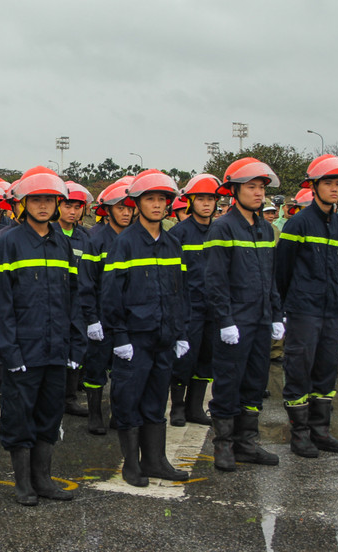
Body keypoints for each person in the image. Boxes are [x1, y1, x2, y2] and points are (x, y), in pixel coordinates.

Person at [0, 167, 75, 504]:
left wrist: (73, 344)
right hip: (22, 350)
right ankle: (23, 484)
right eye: (35, 199)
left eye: (49, 200)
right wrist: (9, 351)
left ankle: (43, 480)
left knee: (49, 415)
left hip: (55, 349)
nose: (42, 205)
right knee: (19, 417)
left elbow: (74, 297)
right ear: (23, 203)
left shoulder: (62, 244)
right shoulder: (7, 242)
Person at [101, 170, 190, 487]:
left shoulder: (172, 243)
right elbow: (111, 295)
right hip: (134, 340)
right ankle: (132, 464)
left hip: (163, 338)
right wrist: (120, 336)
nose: (157, 205)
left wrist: (180, 333)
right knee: (128, 400)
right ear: (136, 204)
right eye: (150, 199)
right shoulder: (124, 244)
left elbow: (181, 292)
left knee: (156, 401)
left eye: (162, 199)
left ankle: (155, 461)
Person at [204, 157, 283, 472]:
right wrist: (224, 320)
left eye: (261, 187)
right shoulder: (222, 227)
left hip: (261, 319)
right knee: (228, 382)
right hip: (235, 322)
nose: (259, 193)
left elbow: (271, 276)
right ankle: (223, 445)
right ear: (234, 190)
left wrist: (276, 314)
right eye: (251, 187)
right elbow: (215, 280)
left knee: (254, 382)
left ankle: (247, 443)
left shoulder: (265, 229)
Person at [276, 155, 338, 458]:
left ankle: (320, 431)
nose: (335, 189)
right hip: (303, 309)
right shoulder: (298, 223)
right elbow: (283, 269)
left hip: (330, 309)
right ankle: (299, 435)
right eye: (329, 183)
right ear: (314, 186)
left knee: (326, 370)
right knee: (299, 369)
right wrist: (285, 307)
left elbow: (337, 266)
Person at [79, 178, 134, 435]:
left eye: (129, 207)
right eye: (120, 207)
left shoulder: (138, 238)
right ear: (108, 210)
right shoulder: (95, 240)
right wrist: (91, 318)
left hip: (129, 316)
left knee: (124, 369)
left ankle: (118, 414)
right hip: (101, 315)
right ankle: (94, 415)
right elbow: (87, 283)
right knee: (96, 367)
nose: (126, 212)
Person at [167, 174, 220, 426]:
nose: (206, 204)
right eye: (201, 199)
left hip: (213, 307)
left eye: (211, 199)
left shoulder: (221, 230)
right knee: (184, 359)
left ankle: (195, 408)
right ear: (190, 202)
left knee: (206, 358)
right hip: (189, 308)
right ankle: (177, 407)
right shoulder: (179, 233)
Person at [57, 180, 95, 418]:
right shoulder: (49, 232)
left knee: (76, 346)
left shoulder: (86, 237)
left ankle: (69, 398)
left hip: (78, 301)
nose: (72, 211)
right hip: (54, 300)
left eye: (77, 207)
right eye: (68, 206)